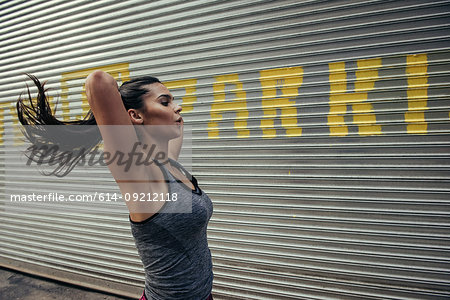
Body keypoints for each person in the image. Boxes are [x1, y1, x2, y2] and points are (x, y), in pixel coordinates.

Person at [16, 71, 214, 300]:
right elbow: (98, 82)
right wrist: (120, 114)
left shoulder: (169, 163)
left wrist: (164, 110)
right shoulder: (139, 175)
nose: (177, 107)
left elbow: (176, 125)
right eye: (165, 102)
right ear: (135, 116)